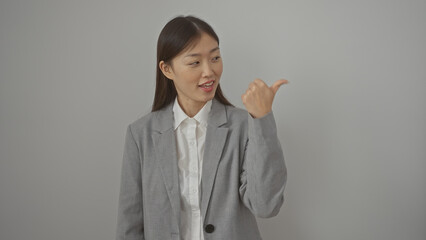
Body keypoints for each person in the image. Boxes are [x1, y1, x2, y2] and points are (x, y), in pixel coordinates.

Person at [116, 15, 288, 240]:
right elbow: (130, 224)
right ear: (167, 69)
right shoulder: (141, 134)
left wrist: (262, 119)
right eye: (195, 62)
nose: (209, 71)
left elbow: (266, 205)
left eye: (215, 57)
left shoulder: (244, 126)